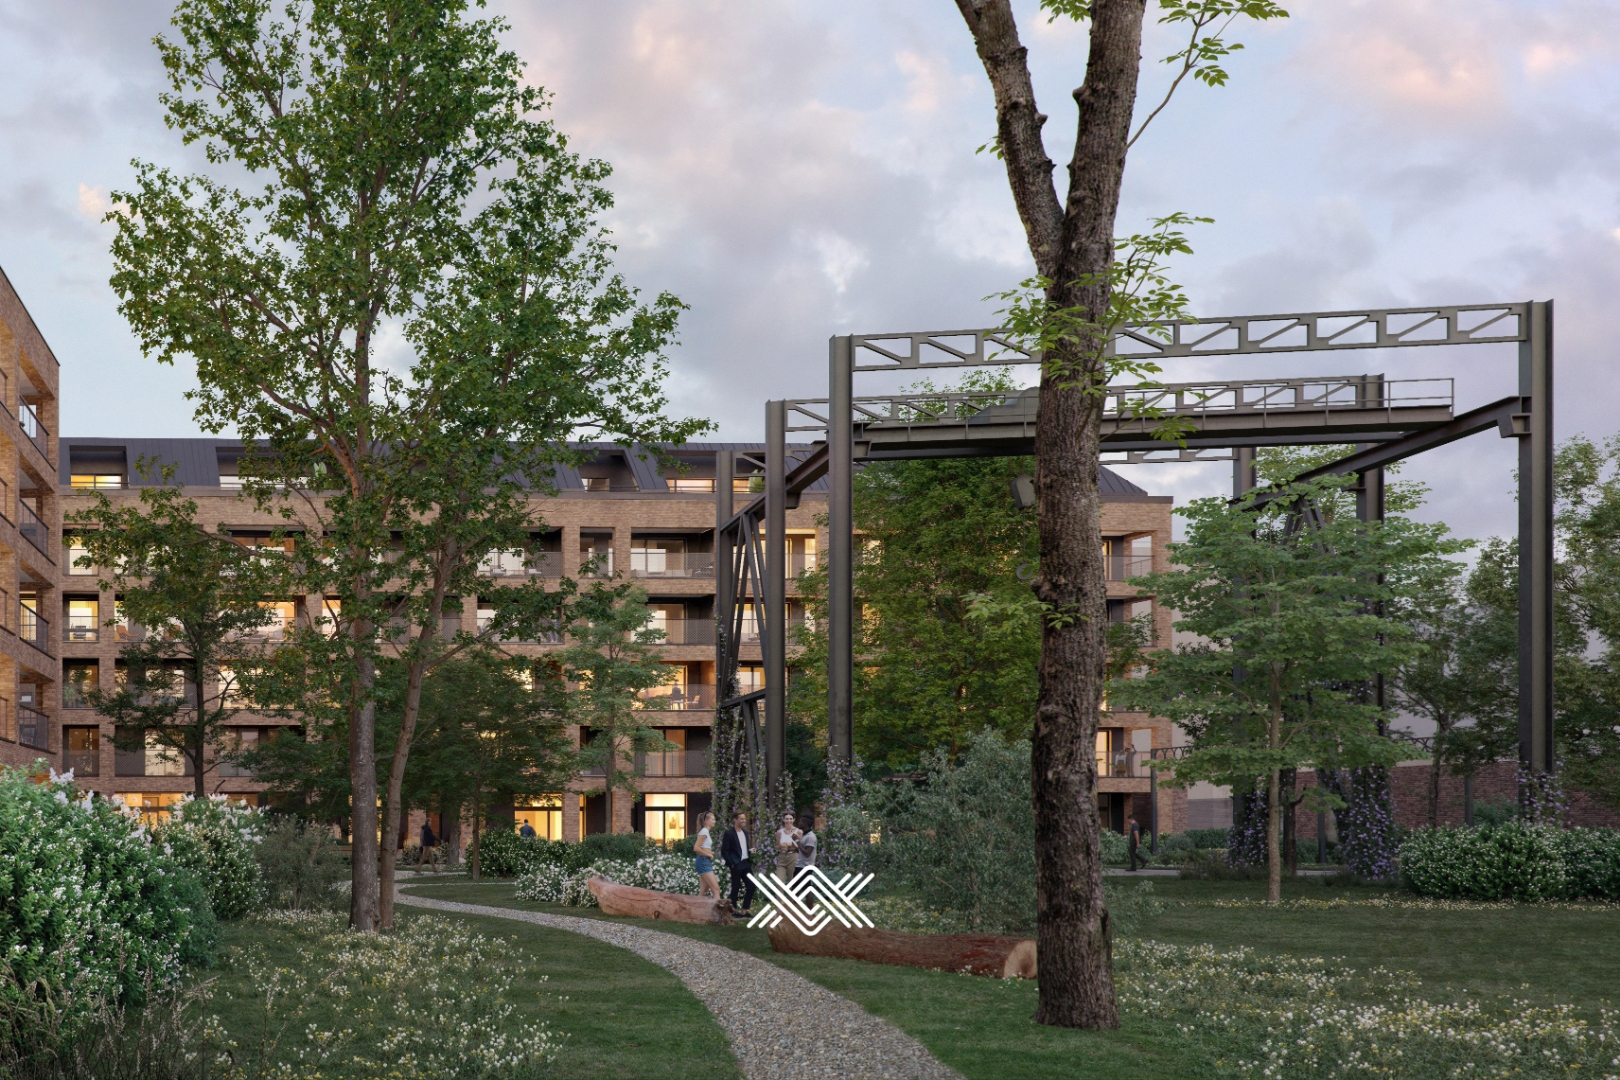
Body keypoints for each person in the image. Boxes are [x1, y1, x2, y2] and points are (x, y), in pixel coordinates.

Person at [720, 811, 757, 914]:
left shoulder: (745, 833)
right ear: (735, 820)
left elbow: (741, 848)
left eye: (744, 819)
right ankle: (734, 911)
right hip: (736, 864)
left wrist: (749, 851)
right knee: (735, 888)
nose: (744, 821)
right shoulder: (729, 834)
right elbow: (724, 851)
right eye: (741, 819)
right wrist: (731, 863)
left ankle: (744, 911)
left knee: (751, 886)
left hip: (745, 863)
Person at [693, 811, 721, 900]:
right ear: (706, 821)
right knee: (716, 889)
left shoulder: (705, 832)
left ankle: (694, 911)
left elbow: (703, 847)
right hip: (703, 861)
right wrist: (708, 854)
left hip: (704, 861)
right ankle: (718, 913)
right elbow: (696, 848)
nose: (714, 821)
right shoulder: (704, 832)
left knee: (703, 891)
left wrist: (709, 854)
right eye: (712, 819)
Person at [774, 810, 801, 884]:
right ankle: (779, 896)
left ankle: (792, 896)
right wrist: (779, 846)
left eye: (790, 819)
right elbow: (776, 846)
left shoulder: (798, 831)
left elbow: (801, 847)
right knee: (778, 882)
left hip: (793, 857)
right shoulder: (779, 832)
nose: (788, 821)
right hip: (782, 857)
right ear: (783, 820)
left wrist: (792, 847)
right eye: (786, 819)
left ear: (793, 820)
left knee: (793, 882)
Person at [793, 811, 817, 880]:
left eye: (800, 822)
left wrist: (797, 841)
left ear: (805, 823)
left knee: (804, 888)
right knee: (798, 887)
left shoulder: (811, 837)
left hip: (805, 866)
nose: (799, 823)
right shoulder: (803, 835)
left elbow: (807, 853)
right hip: (799, 865)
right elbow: (800, 849)